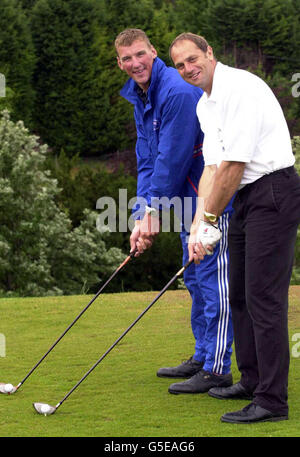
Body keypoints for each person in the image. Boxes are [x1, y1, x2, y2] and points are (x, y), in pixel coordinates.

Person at [170, 32, 300, 423]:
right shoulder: (205, 105)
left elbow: (234, 165)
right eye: (180, 66)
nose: (189, 69)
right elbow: (211, 167)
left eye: (194, 59)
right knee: (241, 294)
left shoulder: (240, 87)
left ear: (210, 53)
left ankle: (273, 401)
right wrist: (197, 227)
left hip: (273, 192)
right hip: (244, 197)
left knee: (264, 298)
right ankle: (252, 380)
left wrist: (210, 220)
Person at [115, 28, 234, 394]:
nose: (135, 63)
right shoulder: (142, 94)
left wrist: (153, 210)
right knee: (196, 279)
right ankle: (203, 355)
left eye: (140, 54)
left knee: (213, 279)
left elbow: (173, 157)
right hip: (185, 199)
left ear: (152, 52)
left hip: (210, 197)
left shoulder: (176, 91)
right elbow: (147, 158)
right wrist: (142, 213)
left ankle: (217, 367)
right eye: (126, 58)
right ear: (119, 63)